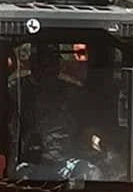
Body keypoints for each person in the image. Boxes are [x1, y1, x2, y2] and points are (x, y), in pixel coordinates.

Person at [16, 41, 85, 171]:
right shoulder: (17, 91)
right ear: (33, 63)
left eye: (52, 61)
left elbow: (84, 128)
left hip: (67, 161)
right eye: (43, 62)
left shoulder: (73, 92)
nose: (48, 67)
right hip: (29, 163)